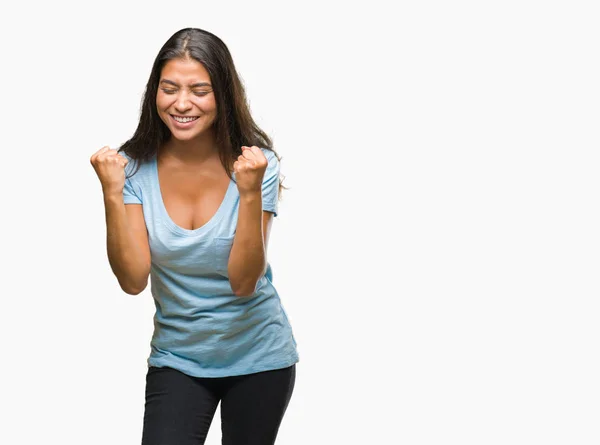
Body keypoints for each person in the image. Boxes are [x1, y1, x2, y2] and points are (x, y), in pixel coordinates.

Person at [89, 28, 299, 445]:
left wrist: (251, 192)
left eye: (199, 90)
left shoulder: (257, 165)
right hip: (178, 358)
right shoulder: (133, 169)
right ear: (155, 93)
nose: (182, 103)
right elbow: (132, 281)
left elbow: (243, 283)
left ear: (222, 95)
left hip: (260, 358)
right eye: (170, 88)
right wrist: (111, 191)